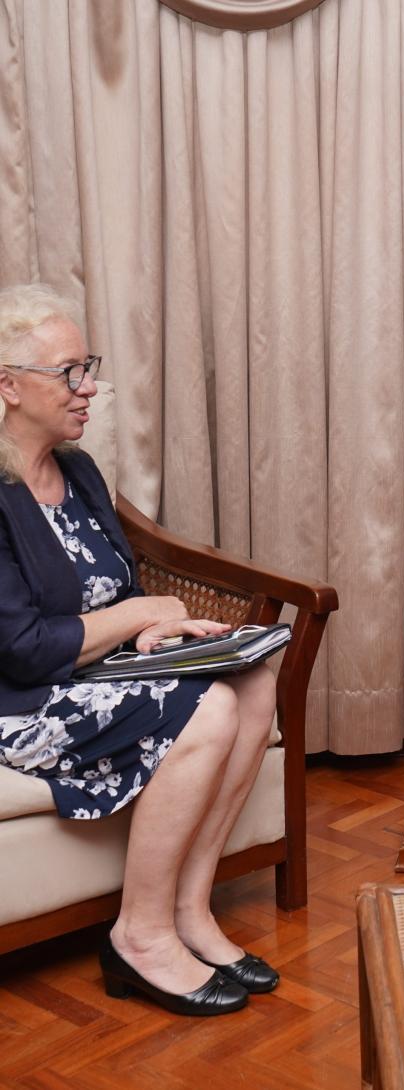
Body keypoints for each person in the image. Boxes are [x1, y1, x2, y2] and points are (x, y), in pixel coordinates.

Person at [0, 283, 279, 1015]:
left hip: (96, 671)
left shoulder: (78, 471)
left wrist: (153, 630)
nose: (88, 387)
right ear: (9, 386)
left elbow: (114, 587)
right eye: (69, 372)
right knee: (210, 709)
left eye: (86, 367)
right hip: (24, 701)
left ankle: (191, 909)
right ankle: (141, 936)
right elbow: (23, 649)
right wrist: (140, 613)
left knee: (253, 679)